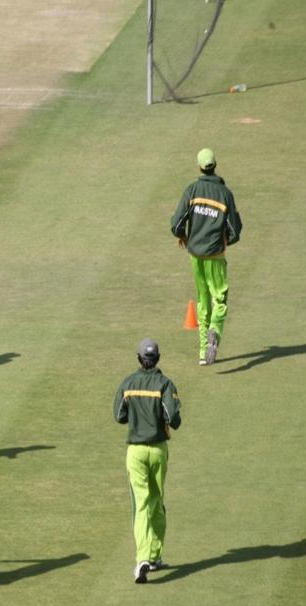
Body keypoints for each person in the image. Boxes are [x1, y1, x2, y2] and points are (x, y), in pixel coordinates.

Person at [113, 339, 182, 584]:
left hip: (136, 452)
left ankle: (142, 558)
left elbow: (119, 415)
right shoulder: (165, 384)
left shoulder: (128, 383)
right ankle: (154, 555)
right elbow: (173, 417)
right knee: (156, 502)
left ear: (139, 358)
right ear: (158, 359)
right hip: (159, 450)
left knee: (140, 505)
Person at [170, 147, 243, 365]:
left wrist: (183, 236)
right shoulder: (225, 194)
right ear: (215, 166)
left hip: (195, 254)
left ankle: (203, 353)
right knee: (219, 299)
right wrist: (224, 242)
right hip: (215, 255)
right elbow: (235, 230)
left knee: (202, 301)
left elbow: (176, 223)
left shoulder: (192, 190)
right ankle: (215, 331)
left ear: (200, 167)